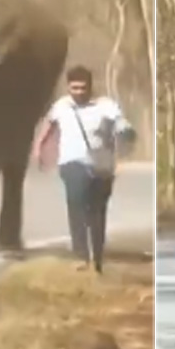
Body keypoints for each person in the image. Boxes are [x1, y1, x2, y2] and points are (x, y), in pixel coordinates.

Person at [32, 65, 136, 273]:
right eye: (74, 88)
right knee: (76, 204)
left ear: (90, 86)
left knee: (97, 213)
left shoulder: (106, 106)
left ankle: (97, 258)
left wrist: (126, 133)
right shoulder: (62, 106)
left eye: (82, 88)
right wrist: (38, 148)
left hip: (101, 165)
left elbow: (121, 125)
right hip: (72, 162)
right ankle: (81, 256)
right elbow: (49, 124)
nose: (78, 93)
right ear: (68, 87)